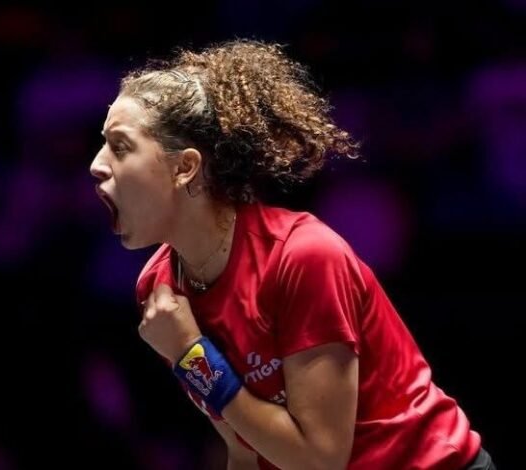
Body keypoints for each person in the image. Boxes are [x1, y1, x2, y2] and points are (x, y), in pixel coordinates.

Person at [89, 39, 494, 470]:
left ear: (185, 167)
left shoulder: (302, 257)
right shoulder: (162, 293)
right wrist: (192, 354)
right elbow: (246, 449)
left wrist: (192, 352)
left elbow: (320, 461)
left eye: (121, 146)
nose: (96, 164)